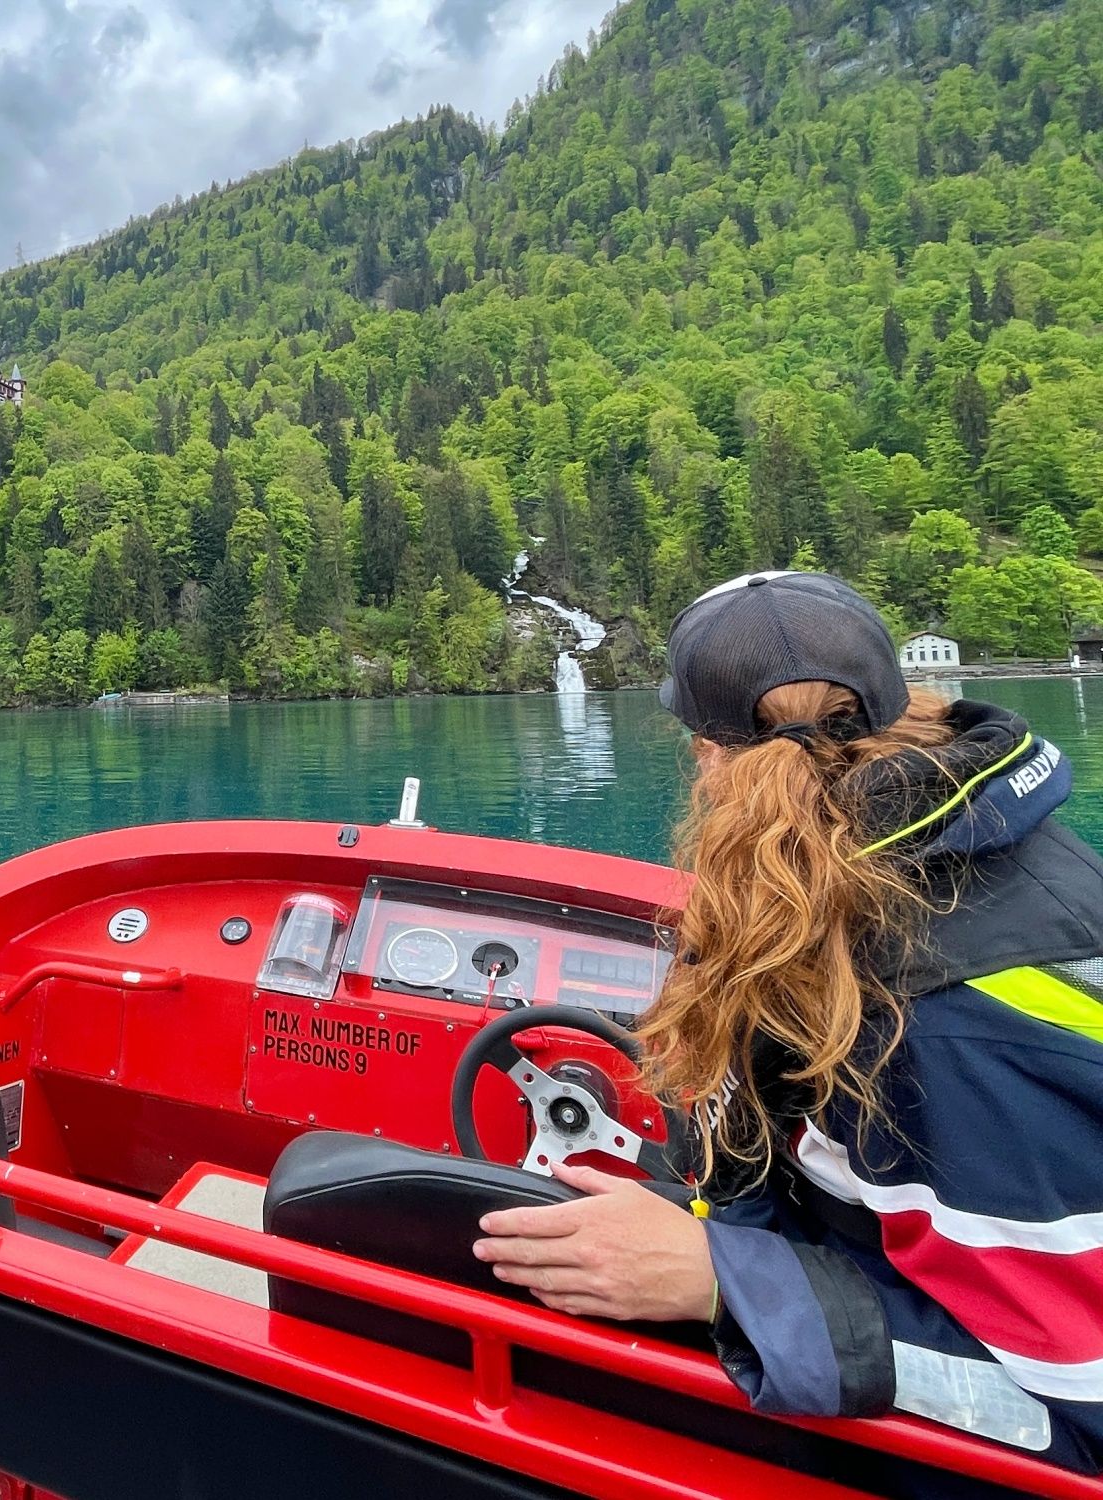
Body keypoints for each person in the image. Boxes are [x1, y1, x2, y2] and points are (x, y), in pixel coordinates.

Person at [472, 571, 1103, 1471]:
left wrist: (720, 1282)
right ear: (902, 710)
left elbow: (1079, 1412)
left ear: (707, 756)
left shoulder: (935, 1024)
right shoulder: (978, 849)